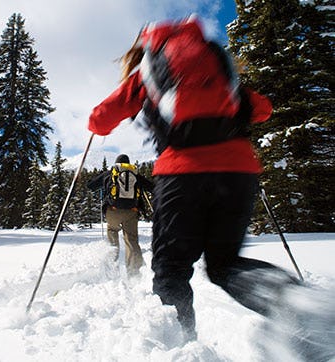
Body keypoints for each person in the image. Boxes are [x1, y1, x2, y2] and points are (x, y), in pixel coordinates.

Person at [86, 16, 305, 343]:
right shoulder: (216, 63)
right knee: (225, 265)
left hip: (181, 173)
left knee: (171, 270)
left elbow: (101, 118)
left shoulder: (148, 70)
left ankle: (182, 345)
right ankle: (301, 307)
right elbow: (262, 110)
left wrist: (95, 128)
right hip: (238, 170)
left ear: (148, 42)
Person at [88, 154, 153, 277]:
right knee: (131, 240)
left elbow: (90, 186)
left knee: (112, 232)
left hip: (113, 210)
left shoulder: (110, 173)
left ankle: (112, 269)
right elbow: (153, 188)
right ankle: (134, 273)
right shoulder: (135, 174)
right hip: (131, 212)